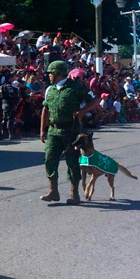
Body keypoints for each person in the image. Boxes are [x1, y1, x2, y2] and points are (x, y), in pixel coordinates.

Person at [39, 61, 99, 205]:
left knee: (72, 161)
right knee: (50, 159)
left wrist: (82, 112)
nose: (49, 75)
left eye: (51, 73)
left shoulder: (76, 88)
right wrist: (42, 129)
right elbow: (45, 109)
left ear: (59, 73)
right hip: (53, 130)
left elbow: (95, 100)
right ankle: (53, 191)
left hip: (71, 130)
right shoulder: (50, 90)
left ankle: (74, 193)